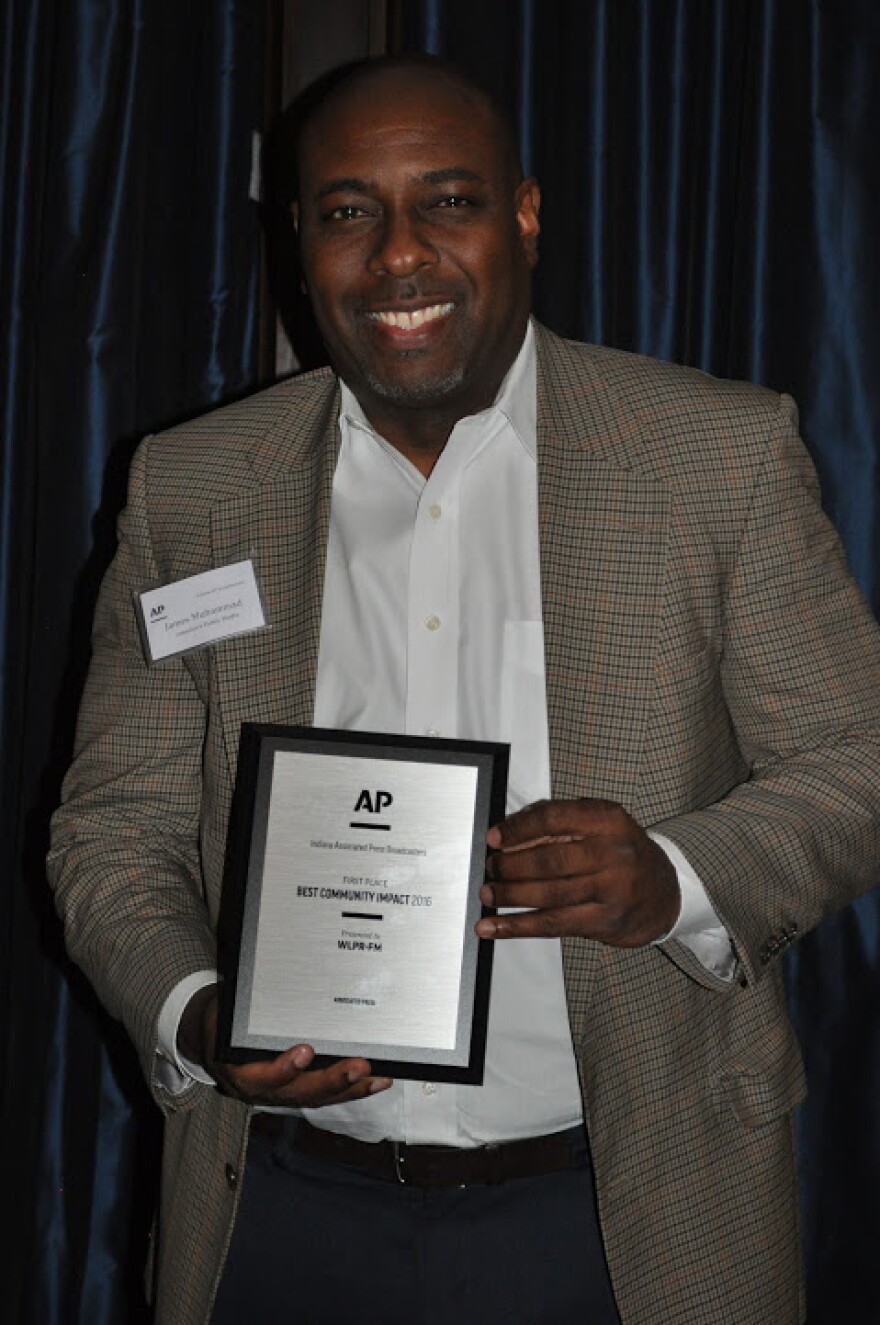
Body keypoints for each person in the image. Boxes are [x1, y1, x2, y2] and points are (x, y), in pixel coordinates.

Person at [48, 54, 880, 1325]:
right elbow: (115, 829)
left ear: (525, 215)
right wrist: (198, 1010)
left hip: (622, 1217)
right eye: (345, 211)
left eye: (448, 201)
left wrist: (676, 876)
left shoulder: (714, 458)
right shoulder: (194, 490)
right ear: (298, 239)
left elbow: (855, 756)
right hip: (277, 1212)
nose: (397, 255)